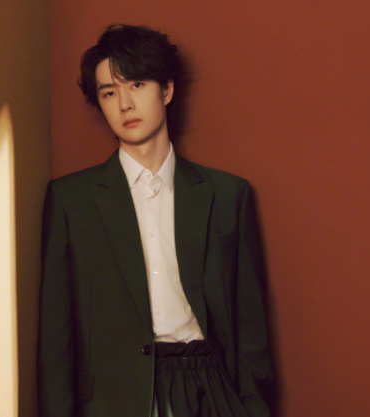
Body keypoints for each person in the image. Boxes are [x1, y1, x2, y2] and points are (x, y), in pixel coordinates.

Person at [37, 24, 274, 417]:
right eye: (109, 92)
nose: (124, 104)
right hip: (117, 399)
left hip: (212, 388)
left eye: (136, 84)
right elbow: (56, 335)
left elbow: (250, 323)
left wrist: (253, 407)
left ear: (166, 90)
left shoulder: (228, 194)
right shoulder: (71, 200)